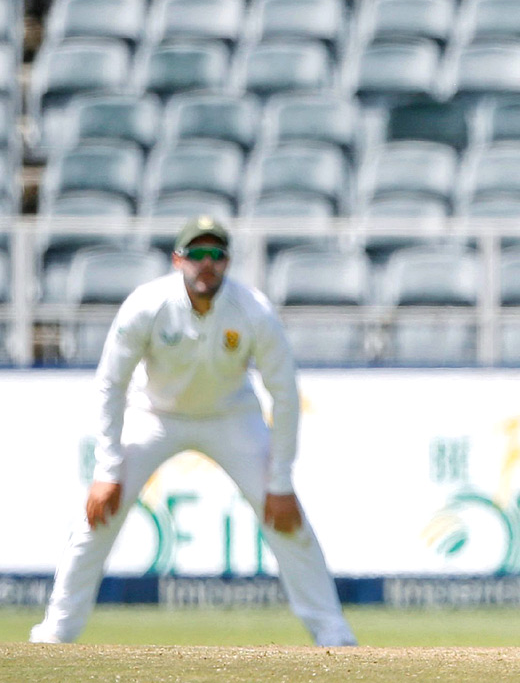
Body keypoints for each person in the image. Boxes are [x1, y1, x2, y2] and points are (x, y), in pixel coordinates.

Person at [31, 216, 356, 647]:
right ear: (177, 259)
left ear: (228, 262)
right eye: (197, 254)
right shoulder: (146, 305)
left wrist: (279, 480)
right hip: (153, 415)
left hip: (231, 416)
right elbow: (111, 383)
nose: (207, 264)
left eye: (216, 255)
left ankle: (333, 633)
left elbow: (285, 394)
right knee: (97, 513)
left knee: (286, 516)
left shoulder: (254, 310)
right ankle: (56, 632)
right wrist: (107, 469)